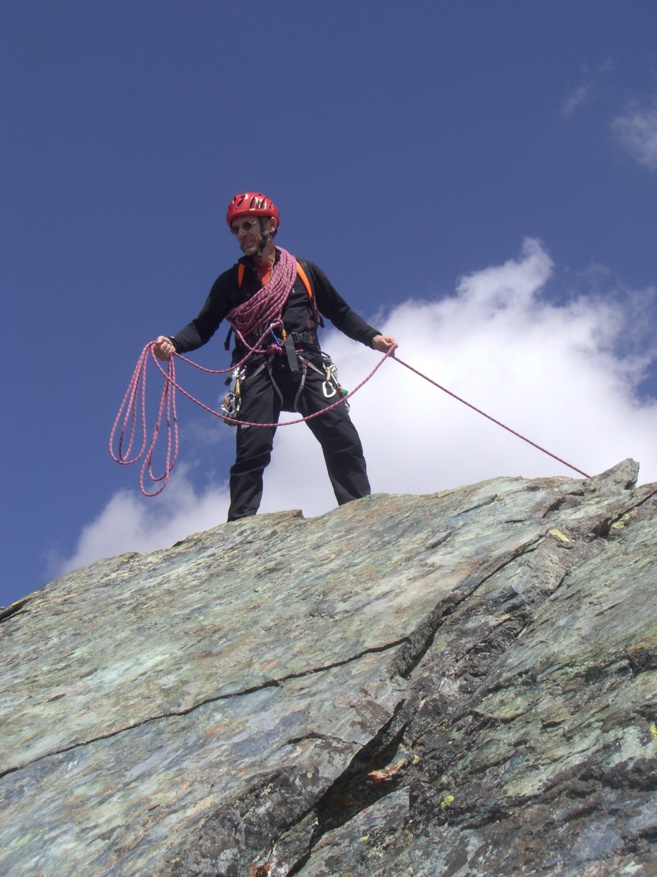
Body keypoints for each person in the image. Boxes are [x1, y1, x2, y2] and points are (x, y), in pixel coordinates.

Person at [154, 191, 397, 521]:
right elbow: (203, 324)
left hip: (304, 361)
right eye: (236, 230)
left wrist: (373, 338)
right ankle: (240, 527)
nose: (241, 235)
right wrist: (173, 343)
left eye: (247, 226)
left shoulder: (303, 271)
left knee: (341, 435)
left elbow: (340, 312)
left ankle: (358, 513)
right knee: (252, 450)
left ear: (270, 225)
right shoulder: (232, 282)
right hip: (258, 369)